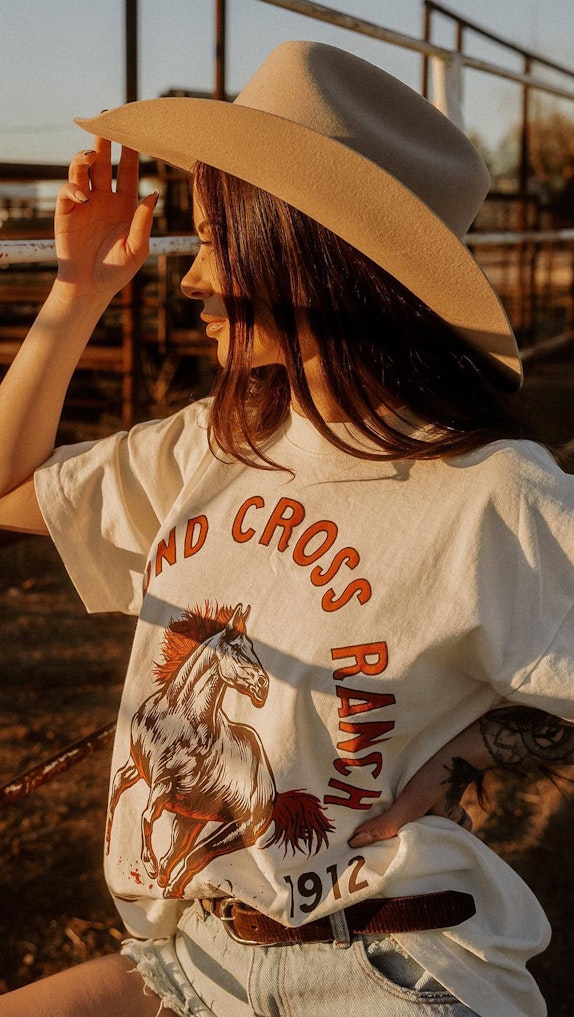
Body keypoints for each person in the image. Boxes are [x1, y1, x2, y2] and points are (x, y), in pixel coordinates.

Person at [0, 40, 573, 1017]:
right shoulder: (211, 447)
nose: (189, 283)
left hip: (389, 972)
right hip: (191, 958)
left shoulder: (490, 493)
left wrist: (461, 751)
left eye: (218, 240)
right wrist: (79, 289)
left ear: (306, 251)